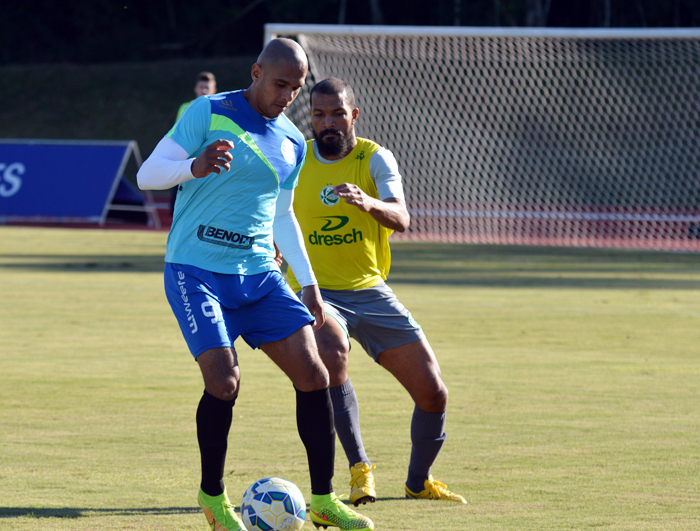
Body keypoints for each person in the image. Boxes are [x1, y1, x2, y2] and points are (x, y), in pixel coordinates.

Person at [137, 42, 373, 531]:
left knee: (315, 374)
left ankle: (324, 501)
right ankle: (213, 497)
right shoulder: (210, 111)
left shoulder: (290, 142)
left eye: (296, 87)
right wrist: (194, 167)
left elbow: (282, 214)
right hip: (196, 271)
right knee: (224, 382)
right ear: (256, 72)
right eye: (280, 83)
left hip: (260, 276)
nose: (288, 95)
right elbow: (148, 174)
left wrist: (307, 282)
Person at [283, 78, 467, 507]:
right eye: (319, 114)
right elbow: (274, 215)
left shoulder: (375, 157)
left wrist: (369, 203)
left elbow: (401, 217)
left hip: (369, 289)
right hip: (314, 290)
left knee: (433, 392)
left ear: (354, 115)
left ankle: (418, 482)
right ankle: (359, 469)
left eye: (336, 114)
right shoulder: (295, 159)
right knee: (331, 352)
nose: (327, 122)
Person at [171, 72, 218, 216]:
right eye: (201, 87)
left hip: (207, 161)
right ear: (195, 88)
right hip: (186, 161)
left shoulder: (218, 110)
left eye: (207, 87)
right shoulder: (185, 107)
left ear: (214, 90)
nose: (204, 90)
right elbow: (178, 134)